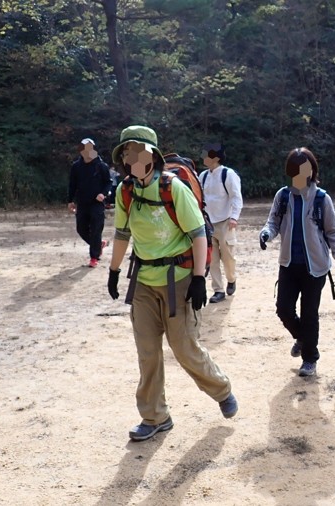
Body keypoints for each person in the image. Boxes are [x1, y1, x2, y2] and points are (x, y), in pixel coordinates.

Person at [105, 125, 237, 442]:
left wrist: (198, 279)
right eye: (127, 152)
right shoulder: (125, 192)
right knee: (148, 353)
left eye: (138, 151)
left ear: (153, 156)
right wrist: (113, 270)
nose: (132, 158)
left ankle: (221, 389)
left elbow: (197, 234)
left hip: (178, 279)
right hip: (144, 283)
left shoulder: (172, 188)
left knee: (184, 349)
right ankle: (155, 416)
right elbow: (122, 234)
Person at [259, 147, 335, 377]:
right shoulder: (283, 196)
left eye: (305, 168)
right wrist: (266, 234)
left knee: (310, 314)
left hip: (315, 267)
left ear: (311, 170)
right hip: (288, 264)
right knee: (284, 309)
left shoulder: (321, 198)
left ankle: (310, 358)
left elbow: (334, 231)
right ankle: (302, 338)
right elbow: (273, 223)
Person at [199, 143, 243, 304]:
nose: (203, 157)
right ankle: (218, 290)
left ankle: (232, 279)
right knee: (212, 259)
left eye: (206, 154)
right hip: (208, 223)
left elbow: (236, 197)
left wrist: (234, 217)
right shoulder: (202, 176)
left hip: (225, 222)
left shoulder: (228, 174)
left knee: (228, 257)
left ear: (216, 158)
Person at [66, 138, 111, 267]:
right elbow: (72, 184)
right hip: (82, 202)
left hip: (97, 203)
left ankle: (94, 257)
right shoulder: (76, 167)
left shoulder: (102, 166)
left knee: (96, 229)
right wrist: (70, 201)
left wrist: (103, 193)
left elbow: (108, 182)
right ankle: (98, 244)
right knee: (81, 228)